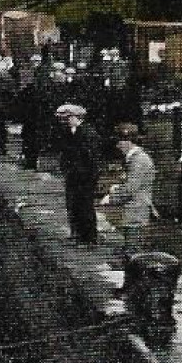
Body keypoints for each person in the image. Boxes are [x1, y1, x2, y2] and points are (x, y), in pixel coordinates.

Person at [102, 123, 156, 259]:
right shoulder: (133, 159)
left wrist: (112, 197)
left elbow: (131, 188)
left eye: (118, 141)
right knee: (130, 252)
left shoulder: (139, 160)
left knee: (133, 256)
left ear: (127, 141)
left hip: (136, 214)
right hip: (133, 213)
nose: (117, 146)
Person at [56, 103, 104, 245]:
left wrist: (89, 177)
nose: (64, 121)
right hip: (73, 176)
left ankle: (89, 238)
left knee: (85, 206)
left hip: (85, 177)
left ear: (76, 117)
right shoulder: (70, 132)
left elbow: (92, 159)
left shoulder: (88, 133)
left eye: (67, 118)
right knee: (73, 205)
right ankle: (77, 233)